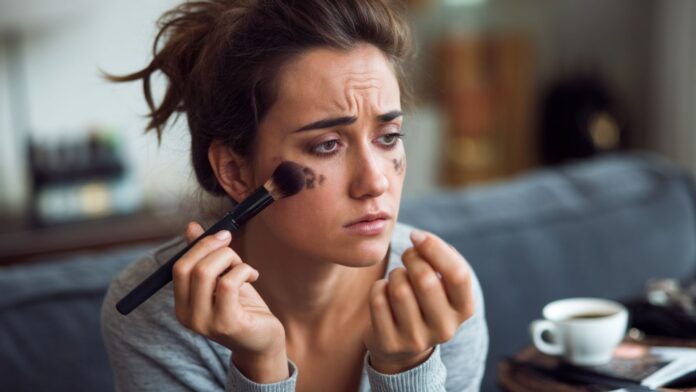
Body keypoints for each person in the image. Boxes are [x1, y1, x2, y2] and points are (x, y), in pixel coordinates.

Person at [100, 0, 489, 391]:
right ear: (235, 171)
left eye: (388, 137)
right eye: (326, 145)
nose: (375, 182)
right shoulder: (157, 315)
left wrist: (409, 369)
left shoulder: (438, 296)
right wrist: (261, 367)